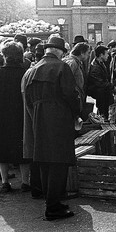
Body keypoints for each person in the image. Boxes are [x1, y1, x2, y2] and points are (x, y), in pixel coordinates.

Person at [22, 36, 80, 220]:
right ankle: (53, 207)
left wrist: (35, 116)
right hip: (59, 115)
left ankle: (51, 201)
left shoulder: (32, 70)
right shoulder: (62, 67)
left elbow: (28, 100)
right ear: (59, 51)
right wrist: (77, 114)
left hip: (39, 117)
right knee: (59, 161)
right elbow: (71, 94)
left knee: (45, 160)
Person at [0, 42, 31, 193]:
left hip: (2, 117)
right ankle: (25, 182)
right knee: (23, 149)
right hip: (21, 116)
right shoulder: (26, 73)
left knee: (3, 149)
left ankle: (5, 182)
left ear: (4, 56)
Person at [87, 45, 113, 120]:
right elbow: (99, 83)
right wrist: (111, 85)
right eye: (107, 54)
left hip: (103, 93)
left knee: (104, 113)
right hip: (100, 94)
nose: (108, 56)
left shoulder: (100, 63)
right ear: (101, 55)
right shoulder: (95, 67)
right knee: (103, 114)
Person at [63, 42, 90, 112]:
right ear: (81, 53)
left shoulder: (75, 62)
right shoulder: (72, 63)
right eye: (87, 53)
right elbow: (66, 83)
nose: (88, 55)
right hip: (73, 98)